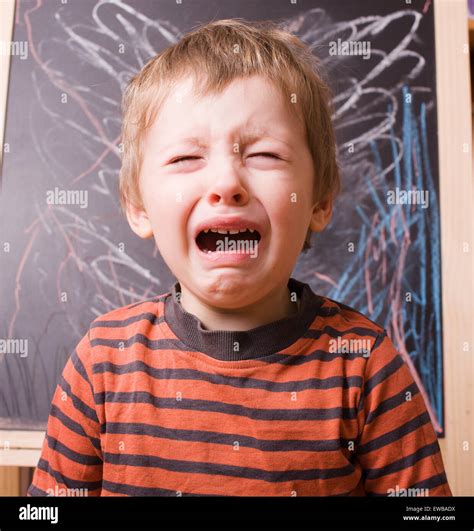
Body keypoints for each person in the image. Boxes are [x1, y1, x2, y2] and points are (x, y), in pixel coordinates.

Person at [28, 18, 451, 496]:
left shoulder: (366, 365)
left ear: (319, 201)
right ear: (139, 207)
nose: (227, 184)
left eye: (266, 155)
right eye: (186, 158)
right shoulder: (102, 362)